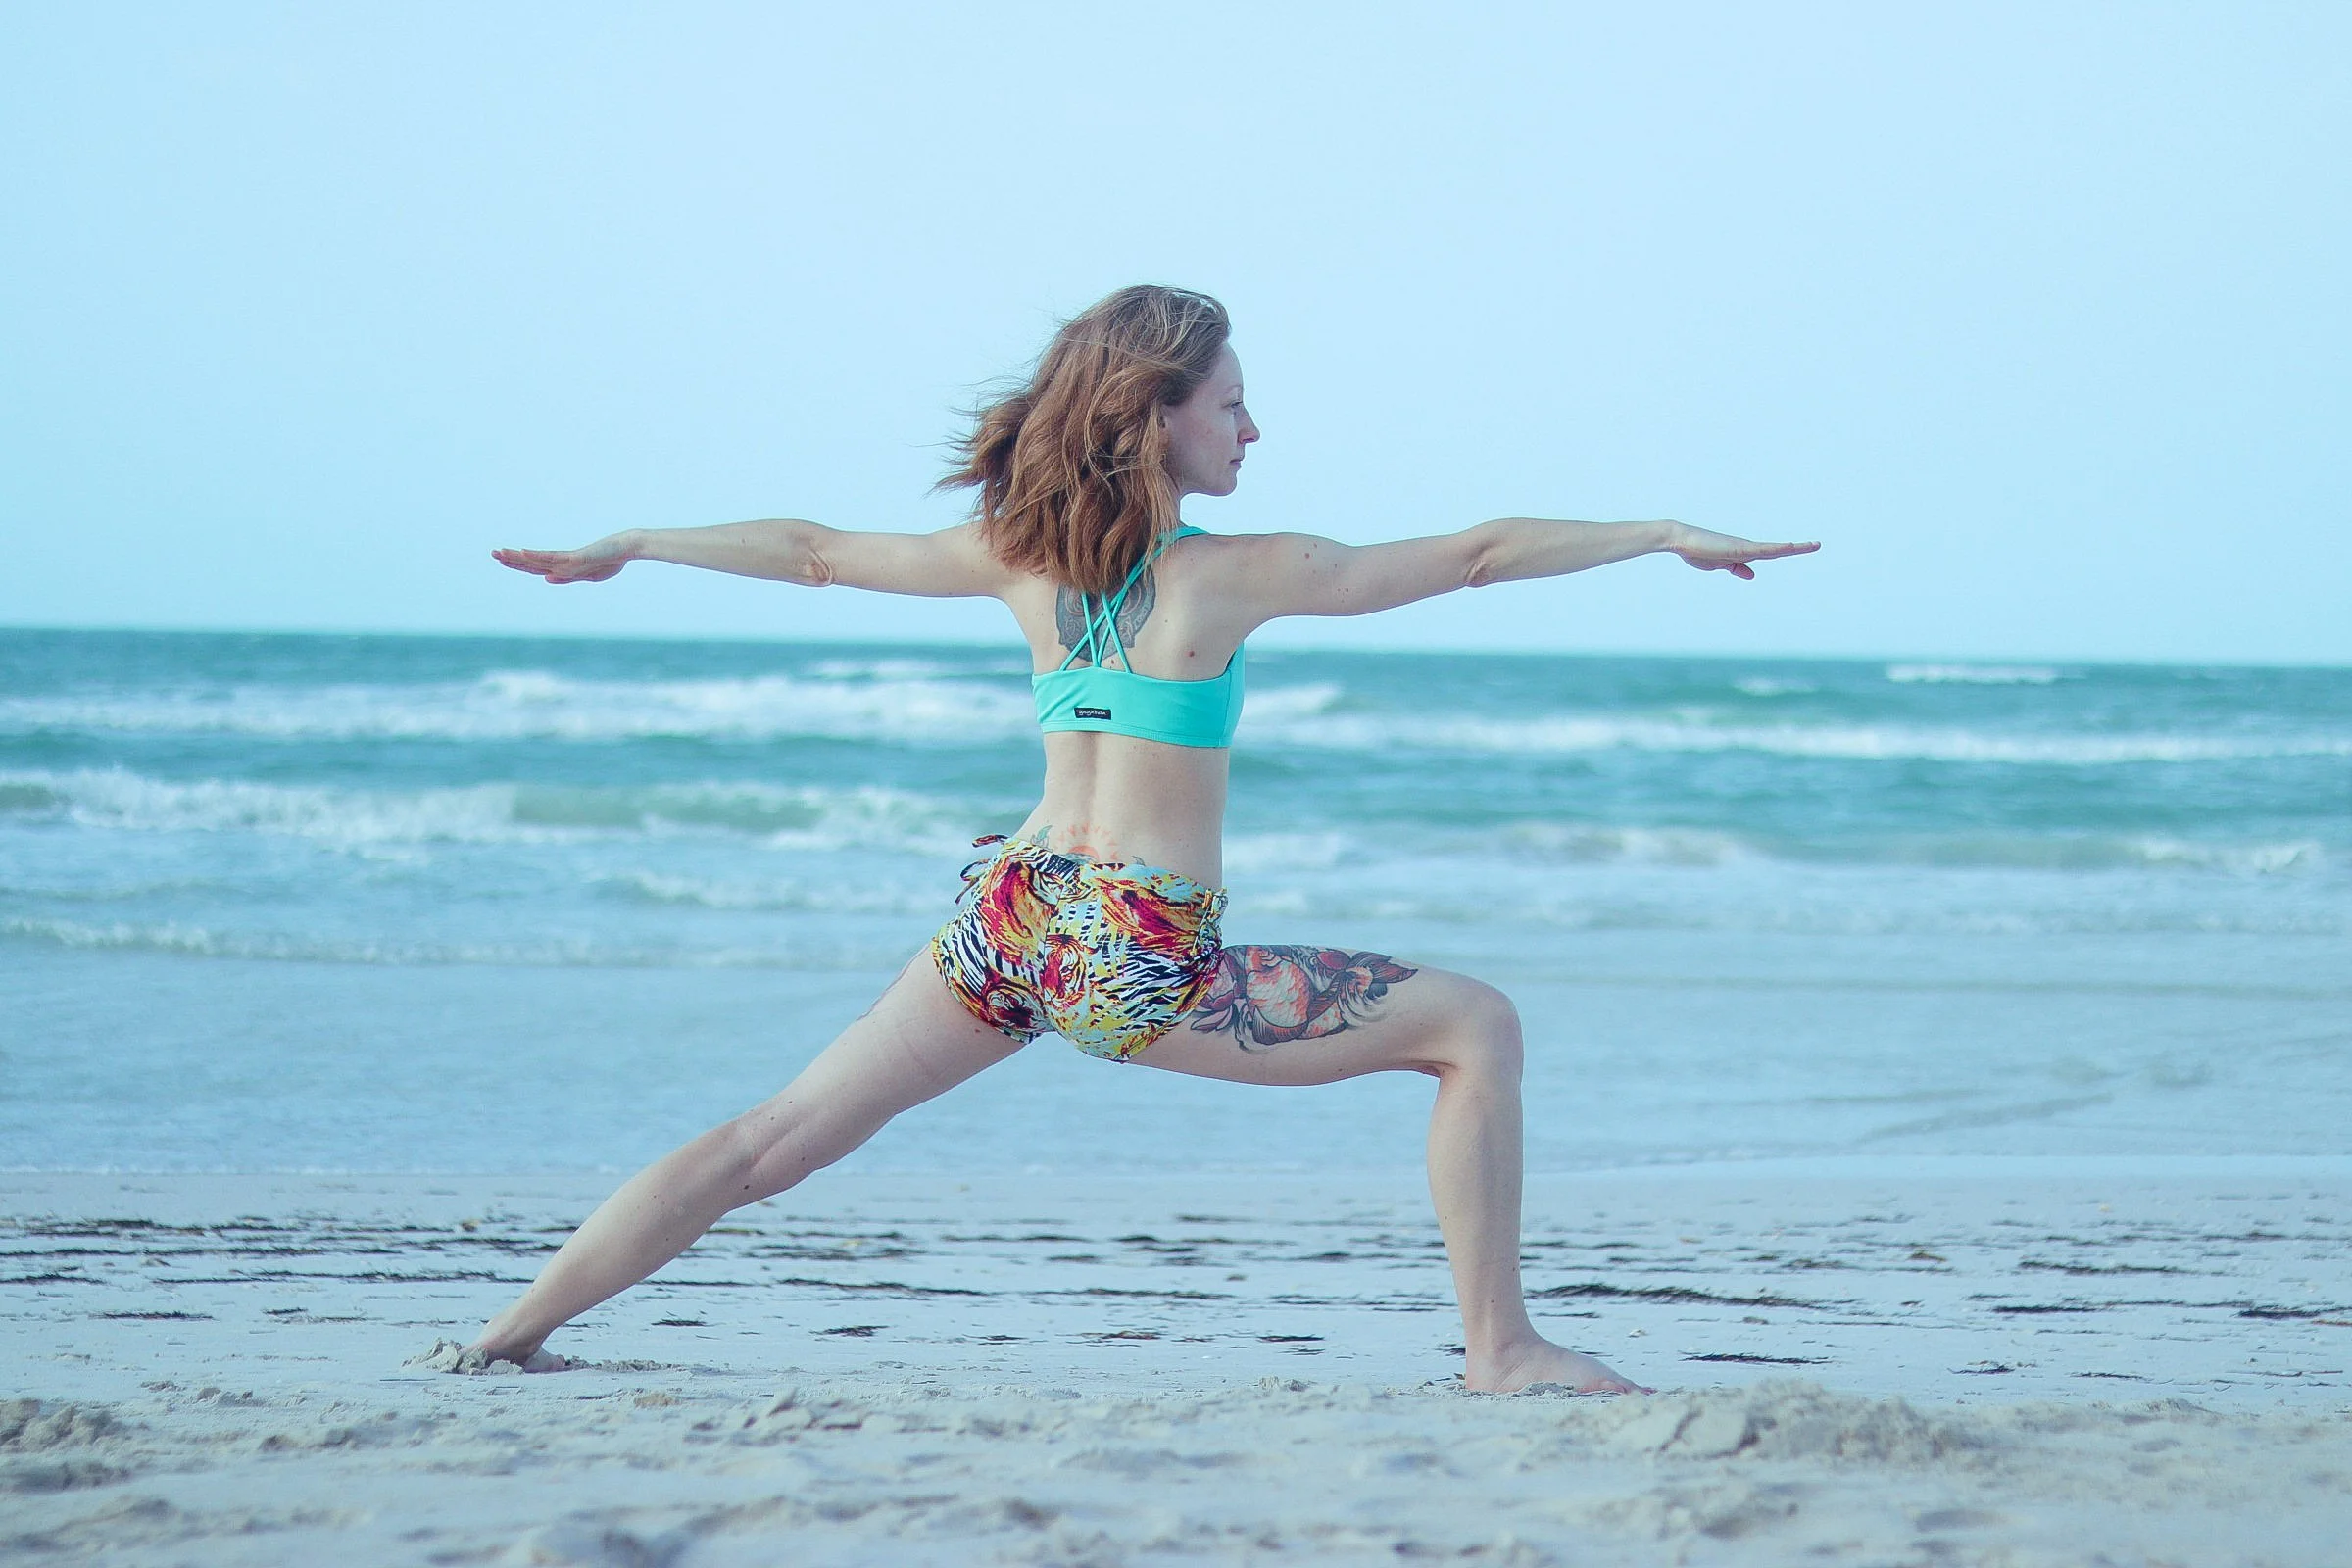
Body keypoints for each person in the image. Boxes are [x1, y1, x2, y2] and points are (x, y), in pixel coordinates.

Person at [483, 284, 1816, 1394]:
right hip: (1132, 953)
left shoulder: (1016, 557)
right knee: (1476, 1027)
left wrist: (636, 544)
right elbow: (1471, 554)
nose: (1252, 426)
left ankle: (506, 1336)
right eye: (1229, 402)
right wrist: (1657, 535)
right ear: (1157, 413)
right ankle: (1501, 1349)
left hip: (1008, 918)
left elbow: (818, 550)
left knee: (766, 1144)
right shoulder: (1239, 576)